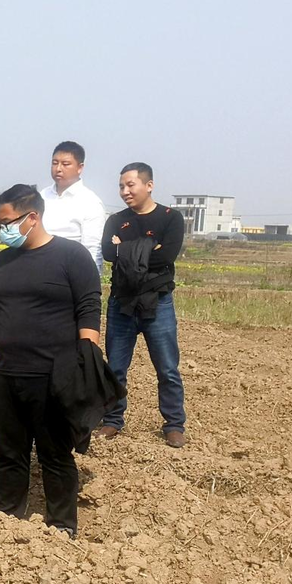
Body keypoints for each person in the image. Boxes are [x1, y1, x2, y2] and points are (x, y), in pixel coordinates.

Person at [0, 184, 101, 537]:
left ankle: (62, 526)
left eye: (6, 222)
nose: (2, 229)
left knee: (55, 455)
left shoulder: (71, 257)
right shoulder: (3, 262)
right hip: (9, 374)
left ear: (32, 217)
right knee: (9, 453)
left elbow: (89, 311)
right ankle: (6, 520)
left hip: (54, 377)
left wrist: (84, 366)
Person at [0, 140, 105, 423]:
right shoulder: (41, 197)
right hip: (28, 266)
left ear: (80, 167)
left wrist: (86, 358)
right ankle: (7, 401)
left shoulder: (89, 204)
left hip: (65, 279)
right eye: (55, 162)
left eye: (65, 163)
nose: (58, 169)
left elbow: (93, 252)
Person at [95, 163, 187, 447]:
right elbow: (110, 254)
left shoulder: (171, 218)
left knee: (168, 368)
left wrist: (126, 248)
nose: (125, 191)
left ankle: (174, 424)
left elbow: (167, 256)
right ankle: (112, 420)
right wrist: (147, 248)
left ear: (149, 185)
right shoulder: (116, 220)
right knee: (116, 368)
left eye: (131, 185)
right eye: (121, 186)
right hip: (122, 302)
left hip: (158, 302)